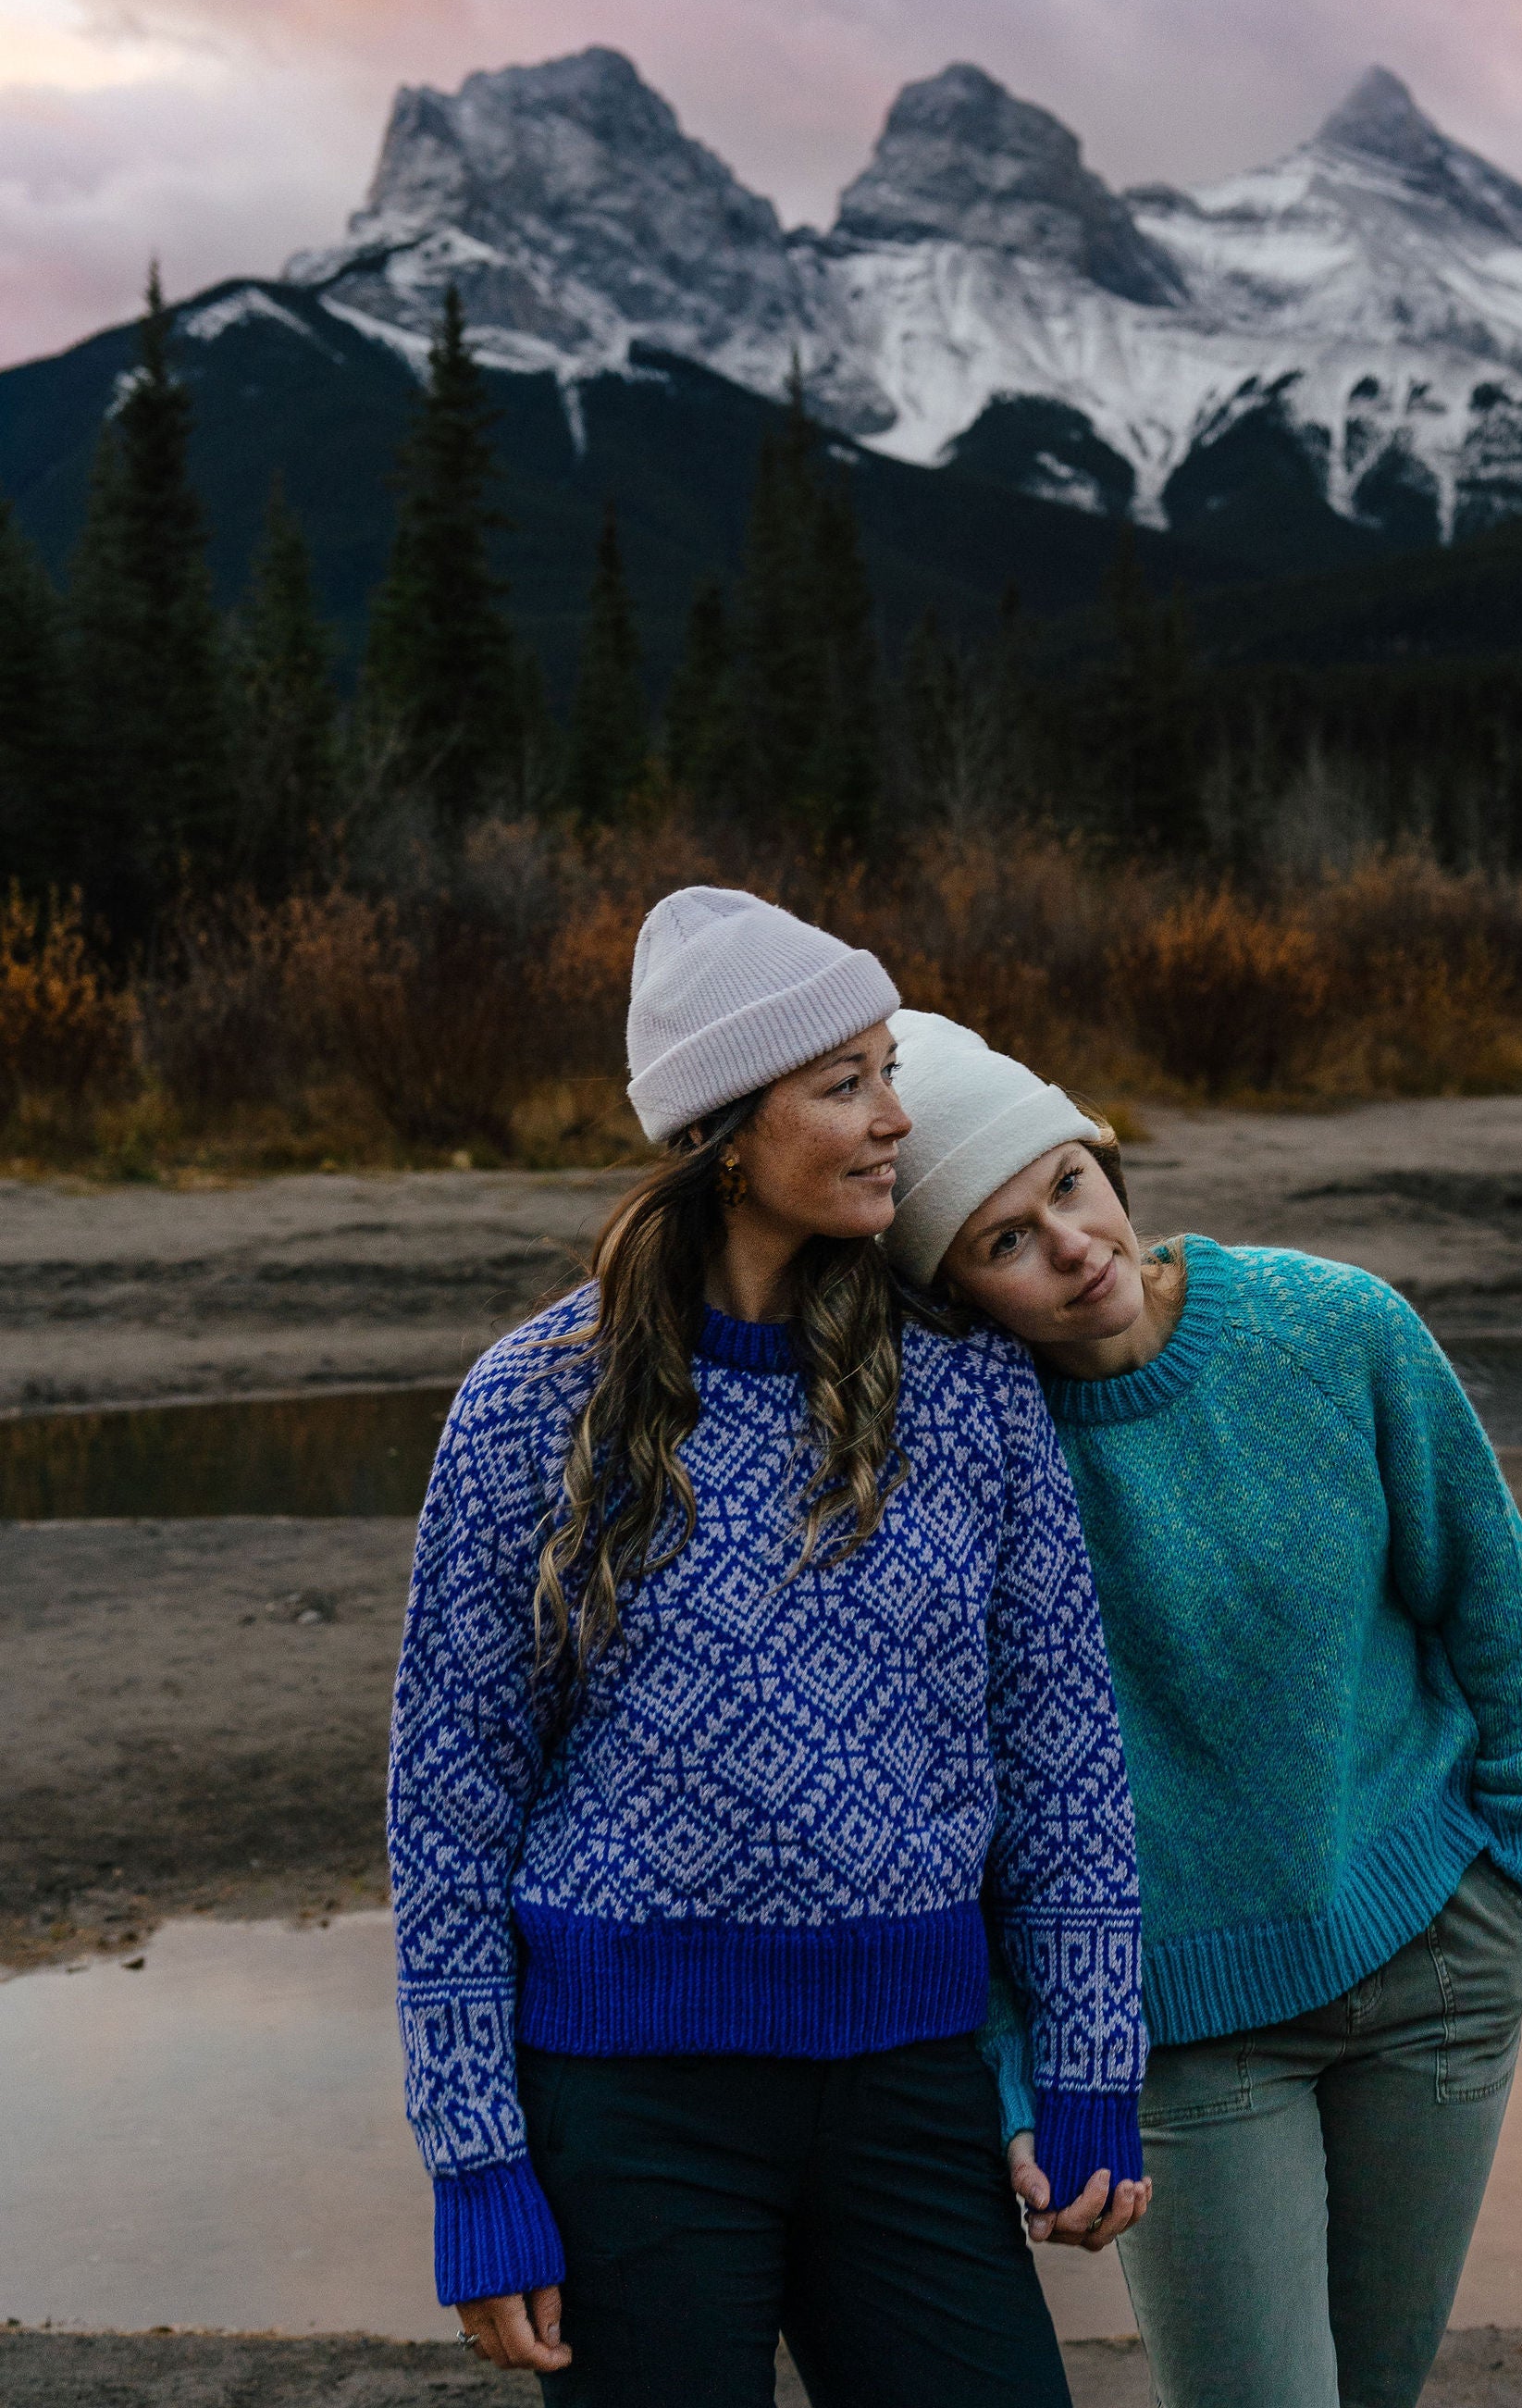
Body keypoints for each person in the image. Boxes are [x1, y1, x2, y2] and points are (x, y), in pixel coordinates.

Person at [387, 894, 1149, 2408]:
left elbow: (1064, 1750)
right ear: (731, 1133)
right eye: (847, 1082)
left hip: (914, 2090)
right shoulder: (532, 1404)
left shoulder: (971, 1395)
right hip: (629, 2110)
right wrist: (477, 2166)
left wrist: (1091, 2061)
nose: (896, 1118)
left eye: (888, 1071)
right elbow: (449, 1807)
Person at [885, 1010, 1522, 2408]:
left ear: (1104, 1163)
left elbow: (1488, 1607)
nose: (1073, 1245)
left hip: (1435, 1964)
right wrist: (1023, 2070)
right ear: (954, 1293)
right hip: (1178, 2036)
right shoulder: (962, 1469)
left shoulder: (1337, 1330)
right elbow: (963, 1816)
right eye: (1005, 1240)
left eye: (1067, 1186)